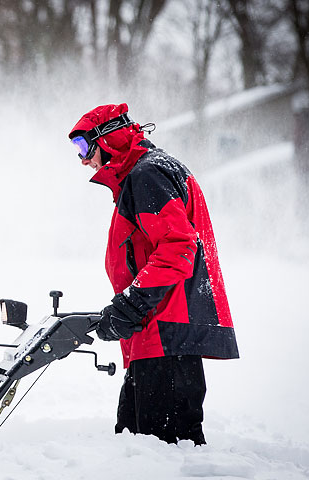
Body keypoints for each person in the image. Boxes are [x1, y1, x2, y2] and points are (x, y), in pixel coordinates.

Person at [68, 103, 239, 445]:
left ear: (107, 139)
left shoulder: (148, 175)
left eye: (84, 148)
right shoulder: (146, 174)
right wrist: (129, 311)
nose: (83, 160)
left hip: (164, 338)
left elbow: (178, 247)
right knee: (137, 448)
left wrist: (131, 305)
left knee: (161, 455)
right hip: (154, 337)